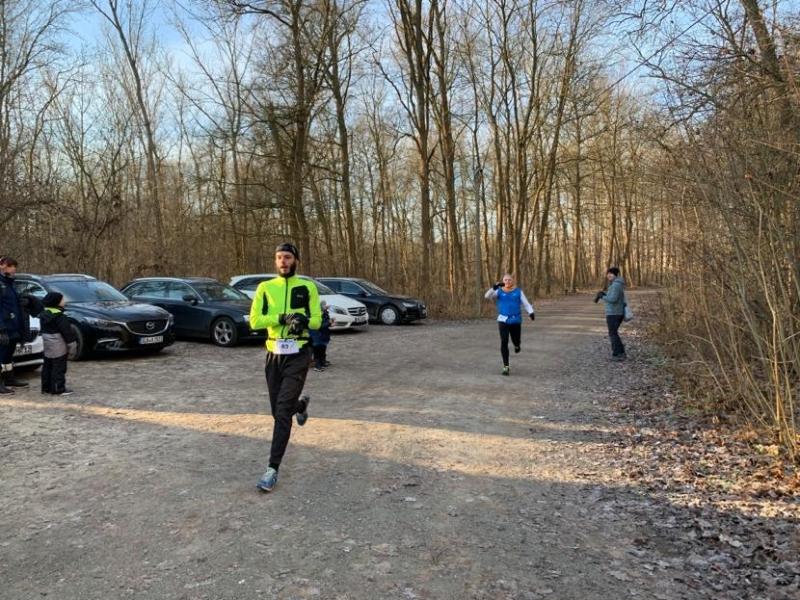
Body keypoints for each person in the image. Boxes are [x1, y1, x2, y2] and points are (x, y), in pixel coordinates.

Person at [249, 242, 321, 493]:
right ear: (275, 261)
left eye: (288, 257)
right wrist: (281, 318)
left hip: (299, 354)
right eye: (279, 257)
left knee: (281, 413)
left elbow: (317, 320)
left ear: (295, 260)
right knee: (277, 411)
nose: (283, 261)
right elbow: (255, 321)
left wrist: (303, 321)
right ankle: (299, 406)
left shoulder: (307, 287)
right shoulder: (265, 288)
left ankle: (272, 469)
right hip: (274, 355)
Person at [484, 273, 535, 376]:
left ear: (513, 281)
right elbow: (487, 296)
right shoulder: (499, 291)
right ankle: (506, 366)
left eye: (509, 280)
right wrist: (493, 288)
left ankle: (517, 345)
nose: (507, 282)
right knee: (504, 341)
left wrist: (531, 312)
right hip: (503, 320)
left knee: (516, 340)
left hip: (515, 320)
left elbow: (526, 304)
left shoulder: (518, 291)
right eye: (505, 280)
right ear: (503, 281)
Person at [0, 256, 29, 393]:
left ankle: (9, 379)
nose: (14, 269)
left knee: (8, 356)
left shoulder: (10, 283)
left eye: (14, 267)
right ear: (2, 265)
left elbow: (13, 304)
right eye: (11, 266)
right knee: (1, 355)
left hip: (13, 326)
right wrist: (1, 329)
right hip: (4, 326)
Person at [40, 292, 78, 395]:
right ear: (56, 302)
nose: (64, 301)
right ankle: (58, 389)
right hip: (58, 346)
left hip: (48, 345)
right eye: (62, 300)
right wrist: (72, 345)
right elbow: (67, 332)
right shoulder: (59, 316)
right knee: (59, 368)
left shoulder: (44, 314)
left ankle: (46, 388)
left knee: (47, 366)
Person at [594, 266, 626, 361]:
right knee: (613, 333)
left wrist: (602, 297)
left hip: (614, 313)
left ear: (615, 275)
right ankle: (621, 353)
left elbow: (613, 299)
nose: (609, 275)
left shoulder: (616, 285)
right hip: (616, 312)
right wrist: (605, 294)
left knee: (613, 334)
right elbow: (613, 296)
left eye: (611, 274)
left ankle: (617, 354)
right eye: (608, 273)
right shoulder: (616, 284)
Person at [309, 300, 331, 372]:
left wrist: (330, 322)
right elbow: (319, 326)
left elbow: (325, 323)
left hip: (324, 335)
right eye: (324, 305)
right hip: (317, 335)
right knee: (317, 351)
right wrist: (329, 323)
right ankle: (317, 365)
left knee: (322, 349)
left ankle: (322, 362)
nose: (326, 306)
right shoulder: (316, 315)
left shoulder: (324, 313)